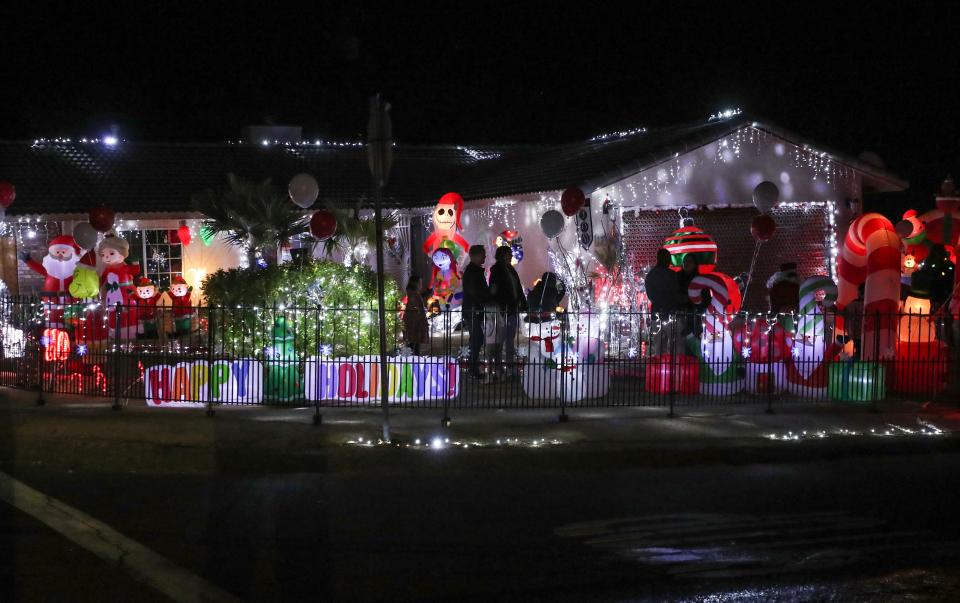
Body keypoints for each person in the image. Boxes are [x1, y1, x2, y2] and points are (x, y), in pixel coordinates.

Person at [488, 245, 528, 378]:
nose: (510, 256)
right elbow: (494, 290)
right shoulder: (497, 270)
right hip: (503, 308)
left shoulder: (510, 269)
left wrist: (522, 303)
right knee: (500, 339)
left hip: (511, 308)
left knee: (510, 339)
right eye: (508, 254)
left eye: (510, 254)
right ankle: (499, 367)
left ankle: (509, 365)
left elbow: (517, 287)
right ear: (501, 255)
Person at [461, 245, 491, 380]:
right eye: (482, 255)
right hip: (473, 308)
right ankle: (472, 367)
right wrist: (486, 299)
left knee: (476, 338)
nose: (484, 257)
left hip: (474, 307)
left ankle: (473, 366)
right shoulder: (473, 271)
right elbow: (474, 291)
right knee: (477, 338)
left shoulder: (473, 270)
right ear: (475, 255)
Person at [644, 248, 681, 355]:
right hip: (670, 312)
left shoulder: (651, 275)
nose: (668, 260)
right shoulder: (671, 274)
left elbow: (651, 294)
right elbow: (675, 292)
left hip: (659, 311)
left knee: (660, 346)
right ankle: (670, 368)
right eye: (667, 258)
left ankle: (661, 367)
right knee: (673, 345)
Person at [402, 275, 428, 356]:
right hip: (415, 323)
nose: (421, 285)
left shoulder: (412, 294)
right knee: (414, 346)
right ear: (415, 283)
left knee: (412, 345)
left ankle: (412, 361)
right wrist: (424, 322)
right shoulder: (415, 295)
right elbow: (419, 310)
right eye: (420, 283)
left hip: (413, 322)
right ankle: (413, 363)